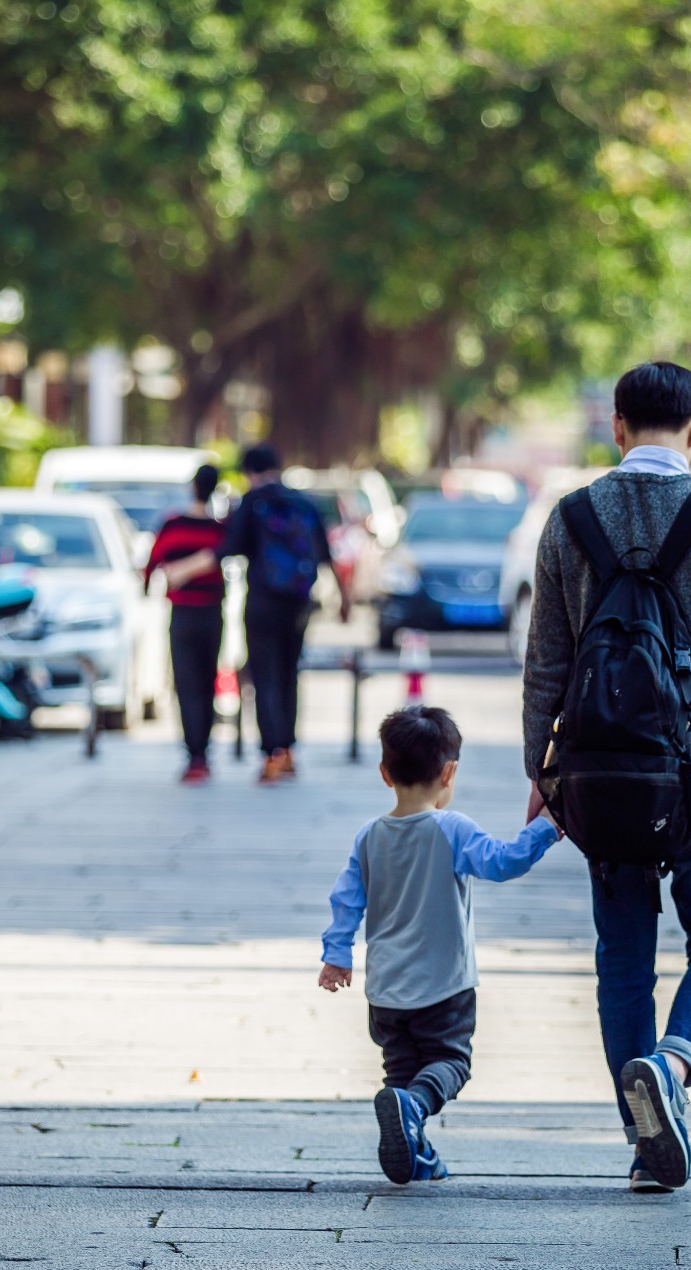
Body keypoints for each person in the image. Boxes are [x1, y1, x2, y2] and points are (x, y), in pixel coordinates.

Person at [521, 360, 691, 1194]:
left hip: (603, 780)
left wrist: (544, 776)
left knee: (622, 960)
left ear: (615, 426)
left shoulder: (570, 519)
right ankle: (674, 1069)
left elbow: (546, 668)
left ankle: (647, 1144)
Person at [319, 705, 559, 1185]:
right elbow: (502, 862)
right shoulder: (452, 829)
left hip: (385, 992)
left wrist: (337, 955)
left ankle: (418, 1153)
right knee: (450, 1062)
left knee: (402, 1073)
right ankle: (412, 1109)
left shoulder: (369, 837)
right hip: (444, 987)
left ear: (385, 773)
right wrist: (548, 827)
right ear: (449, 773)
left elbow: (346, 899)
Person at [217, 443, 331, 784]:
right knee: (289, 673)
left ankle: (272, 753)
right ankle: (290, 750)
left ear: (250, 471)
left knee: (264, 676)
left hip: (263, 602)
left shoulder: (252, 503)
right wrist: (344, 599)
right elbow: (324, 553)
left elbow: (230, 547)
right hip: (298, 603)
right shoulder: (303, 502)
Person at [145, 465, 227, 784]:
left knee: (186, 683)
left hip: (182, 616)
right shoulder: (220, 530)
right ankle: (202, 753)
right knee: (207, 682)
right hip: (211, 615)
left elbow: (151, 564)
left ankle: (193, 755)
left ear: (193, 487)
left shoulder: (172, 525)